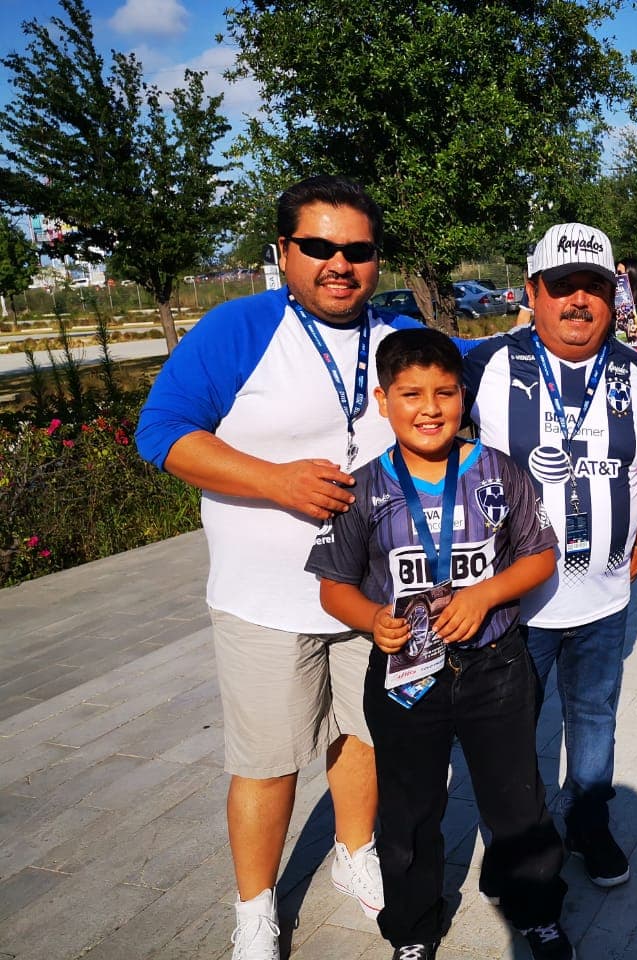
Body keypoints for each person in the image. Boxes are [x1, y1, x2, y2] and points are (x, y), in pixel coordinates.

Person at [137, 176, 438, 960]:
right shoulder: (237, 329)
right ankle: (255, 907)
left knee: (366, 735)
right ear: (283, 250)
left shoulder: (396, 334)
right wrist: (274, 481)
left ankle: (354, 851)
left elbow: (473, 377)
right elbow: (161, 433)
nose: (340, 264)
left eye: (358, 250)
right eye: (319, 246)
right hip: (266, 599)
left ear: (377, 258)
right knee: (267, 763)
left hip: (374, 595)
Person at [306, 328, 574, 960]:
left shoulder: (497, 469)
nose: (430, 409)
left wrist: (485, 596)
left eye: (445, 393)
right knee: (409, 809)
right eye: (411, 394)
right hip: (405, 673)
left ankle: (536, 911)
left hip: (497, 666)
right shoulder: (363, 489)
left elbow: (540, 556)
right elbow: (333, 588)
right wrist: (373, 618)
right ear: (383, 401)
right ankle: (414, 928)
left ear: (462, 398)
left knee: (517, 801)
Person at [464, 223, 637, 888]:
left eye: (594, 286)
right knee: (509, 731)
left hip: (604, 603)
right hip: (513, 608)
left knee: (593, 720)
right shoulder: (486, 367)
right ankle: (514, 839)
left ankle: (587, 822)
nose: (578, 300)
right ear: (533, 292)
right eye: (562, 286)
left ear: (614, 295)